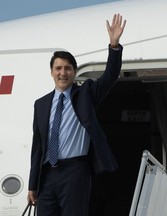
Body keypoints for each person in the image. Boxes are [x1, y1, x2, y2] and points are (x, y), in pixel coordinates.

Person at [27, 14, 126, 216]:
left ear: (74, 72)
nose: (63, 73)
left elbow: (110, 76)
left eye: (68, 68)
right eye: (58, 68)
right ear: (51, 72)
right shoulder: (41, 104)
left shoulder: (86, 94)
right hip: (47, 175)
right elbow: (37, 147)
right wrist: (32, 185)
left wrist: (114, 46)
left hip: (75, 171)